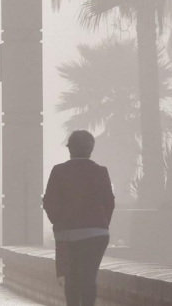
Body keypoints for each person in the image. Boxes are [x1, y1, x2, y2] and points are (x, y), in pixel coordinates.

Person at [43, 130, 114, 306]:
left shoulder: (59, 171)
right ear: (91, 149)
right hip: (97, 234)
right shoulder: (101, 171)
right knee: (89, 277)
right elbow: (109, 203)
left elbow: (49, 201)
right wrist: (102, 224)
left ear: (70, 149)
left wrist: (58, 222)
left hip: (68, 234)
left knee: (72, 277)